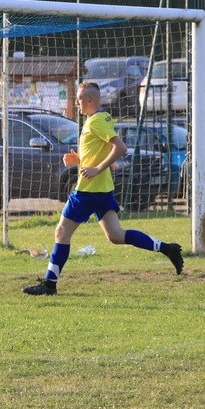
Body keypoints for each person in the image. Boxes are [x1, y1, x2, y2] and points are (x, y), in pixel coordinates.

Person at [22, 82, 185, 296]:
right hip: (103, 189)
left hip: (87, 191)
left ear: (90, 100)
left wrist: (97, 168)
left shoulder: (96, 121)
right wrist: (79, 160)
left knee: (61, 232)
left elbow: (121, 148)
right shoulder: (101, 118)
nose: (77, 102)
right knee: (116, 235)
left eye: (79, 99)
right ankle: (168, 248)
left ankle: (49, 284)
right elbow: (103, 150)